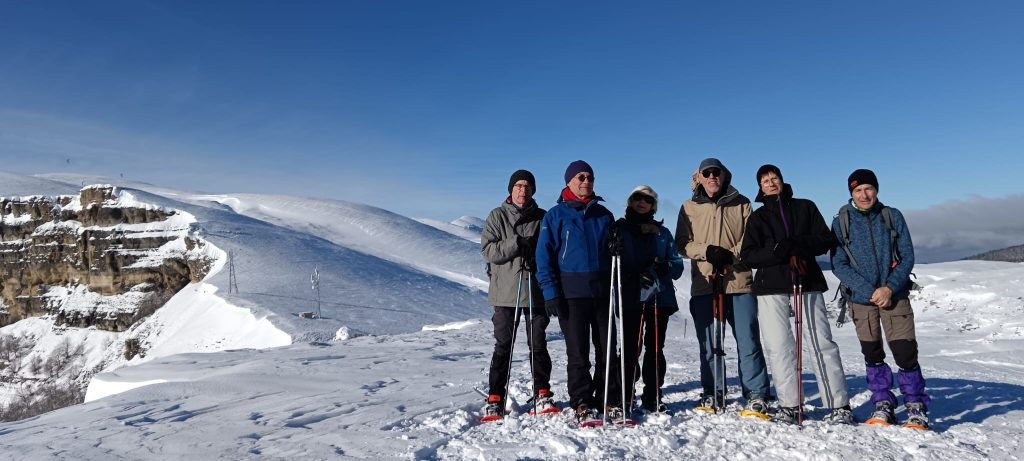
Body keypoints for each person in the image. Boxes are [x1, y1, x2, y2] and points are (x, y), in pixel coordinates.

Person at [740, 164, 853, 425]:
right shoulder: (758, 218)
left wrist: (799, 244)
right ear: (760, 187)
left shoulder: (805, 207)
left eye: (774, 178)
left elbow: (825, 239)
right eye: (765, 180)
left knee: (821, 342)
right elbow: (749, 255)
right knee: (779, 346)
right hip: (771, 286)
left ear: (782, 180)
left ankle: (839, 404)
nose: (771, 183)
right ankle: (789, 404)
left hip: (806, 280)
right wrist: (776, 251)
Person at [830, 169, 931, 429]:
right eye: (858, 190)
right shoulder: (841, 222)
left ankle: (915, 405)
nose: (864, 195)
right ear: (851, 193)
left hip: (895, 297)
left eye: (868, 189)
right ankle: (883, 402)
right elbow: (839, 264)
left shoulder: (891, 216)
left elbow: (907, 256)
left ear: (876, 190)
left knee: (905, 353)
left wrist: (888, 288)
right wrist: (869, 292)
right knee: (872, 354)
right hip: (861, 301)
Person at [675, 157, 771, 416]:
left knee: (748, 341)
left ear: (724, 175)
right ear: (699, 177)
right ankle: (713, 391)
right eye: (706, 173)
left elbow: (750, 238)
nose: (712, 177)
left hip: (738, 282)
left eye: (716, 172)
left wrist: (730, 255)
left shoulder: (742, 203)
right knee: (709, 343)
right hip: (705, 283)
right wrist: (708, 251)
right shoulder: (689, 207)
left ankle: (756, 394)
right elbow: (682, 243)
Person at [535, 160, 622, 424]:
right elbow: (544, 257)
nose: (586, 181)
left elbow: (614, 254)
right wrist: (550, 293)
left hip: (602, 293)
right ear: (569, 181)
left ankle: (609, 398)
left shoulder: (604, 215)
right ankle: (582, 401)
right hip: (571, 295)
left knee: (608, 350)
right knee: (578, 353)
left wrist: (618, 249)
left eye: (590, 177)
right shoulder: (555, 215)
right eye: (581, 177)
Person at [480, 169, 553, 421]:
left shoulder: (543, 217)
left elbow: (551, 249)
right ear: (511, 189)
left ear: (533, 190)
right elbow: (489, 250)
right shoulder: (497, 216)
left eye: (527, 186)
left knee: (538, 344)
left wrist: (537, 257)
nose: (523, 190)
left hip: (535, 291)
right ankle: (495, 397)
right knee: (503, 345)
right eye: (519, 186)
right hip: (505, 292)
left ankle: (542, 392)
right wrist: (517, 243)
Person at [609, 185, 685, 414]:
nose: (642, 202)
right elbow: (612, 261)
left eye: (648, 199)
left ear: (654, 206)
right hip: (631, 295)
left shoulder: (663, 233)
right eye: (637, 197)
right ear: (629, 201)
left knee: (655, 347)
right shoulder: (619, 229)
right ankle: (624, 393)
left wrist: (664, 268)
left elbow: (677, 266)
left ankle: (653, 394)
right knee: (630, 347)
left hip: (659, 298)